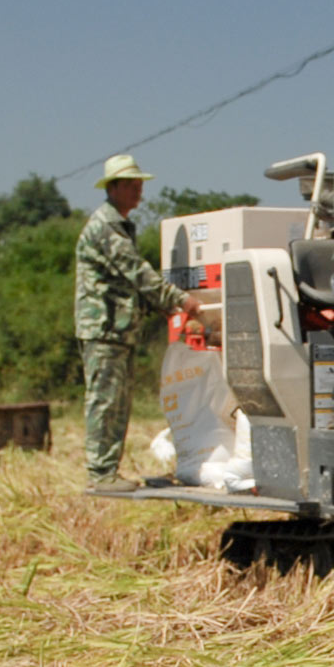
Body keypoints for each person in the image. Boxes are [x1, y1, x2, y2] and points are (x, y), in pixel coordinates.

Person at [76, 153, 201, 491]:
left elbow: (131, 282)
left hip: (116, 329)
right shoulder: (105, 227)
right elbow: (137, 272)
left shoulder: (119, 224)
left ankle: (106, 471)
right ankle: (101, 474)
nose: (138, 193)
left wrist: (161, 308)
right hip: (104, 330)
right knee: (106, 401)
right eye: (131, 186)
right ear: (113, 188)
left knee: (117, 402)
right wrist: (180, 300)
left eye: (139, 186)